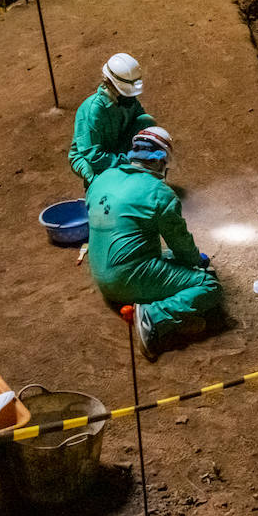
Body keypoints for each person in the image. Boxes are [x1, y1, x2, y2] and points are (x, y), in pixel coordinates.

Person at [87, 127, 221, 360]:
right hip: (124, 278)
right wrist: (195, 262)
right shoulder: (159, 192)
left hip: (100, 271)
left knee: (161, 253)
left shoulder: (103, 178)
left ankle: (141, 296)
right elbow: (180, 243)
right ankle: (151, 317)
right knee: (208, 286)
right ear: (160, 161)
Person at [69, 52, 155, 193]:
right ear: (110, 84)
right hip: (89, 158)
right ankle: (95, 190)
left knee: (147, 121)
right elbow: (93, 156)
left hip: (115, 146)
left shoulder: (127, 99)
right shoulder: (93, 111)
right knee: (104, 188)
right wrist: (128, 162)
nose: (132, 98)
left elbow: (141, 119)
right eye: (127, 92)